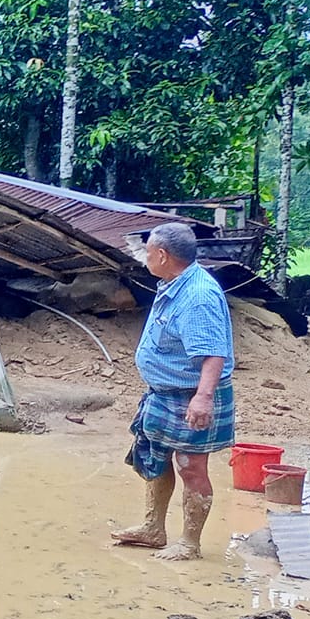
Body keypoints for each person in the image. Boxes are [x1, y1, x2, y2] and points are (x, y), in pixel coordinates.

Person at [110, 222, 235, 561]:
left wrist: (203, 399)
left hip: (192, 393)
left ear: (163, 255)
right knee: (157, 455)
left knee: (191, 466)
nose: (145, 257)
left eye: (149, 252)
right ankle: (153, 528)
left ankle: (189, 544)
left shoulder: (198, 296)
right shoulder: (173, 283)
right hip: (164, 391)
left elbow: (213, 354)